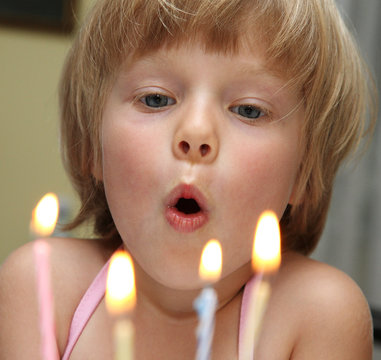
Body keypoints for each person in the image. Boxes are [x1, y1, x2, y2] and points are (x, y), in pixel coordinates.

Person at [0, 0, 377, 359]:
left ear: (305, 175)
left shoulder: (320, 315)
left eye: (248, 110)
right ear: (91, 147)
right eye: (155, 100)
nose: (196, 133)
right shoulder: (41, 287)